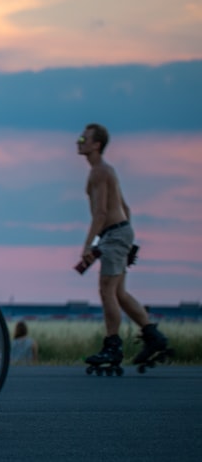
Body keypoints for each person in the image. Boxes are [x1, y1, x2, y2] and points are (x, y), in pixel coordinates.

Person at [77, 123, 168, 366]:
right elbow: (125, 208)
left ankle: (113, 346)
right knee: (119, 293)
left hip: (114, 234)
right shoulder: (106, 171)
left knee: (106, 290)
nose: (79, 142)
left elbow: (101, 213)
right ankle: (154, 336)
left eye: (83, 138)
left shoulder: (99, 171)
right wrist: (125, 240)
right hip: (119, 233)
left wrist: (90, 245)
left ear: (96, 144)